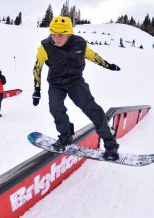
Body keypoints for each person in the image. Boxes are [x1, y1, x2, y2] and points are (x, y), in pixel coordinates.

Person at [32, 16, 121, 160]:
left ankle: (111, 144)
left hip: (75, 82)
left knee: (91, 108)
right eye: (53, 34)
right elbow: (37, 68)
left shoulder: (79, 44)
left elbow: (92, 56)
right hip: (56, 83)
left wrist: (107, 65)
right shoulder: (44, 48)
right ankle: (65, 136)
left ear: (69, 33)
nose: (56, 38)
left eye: (61, 35)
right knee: (56, 108)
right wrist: (37, 90)